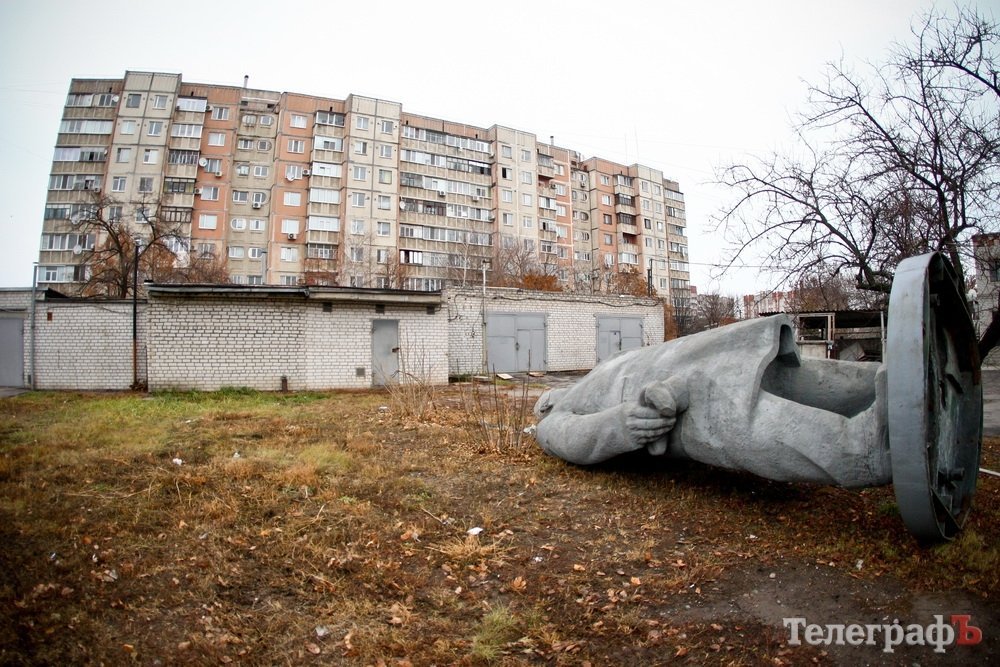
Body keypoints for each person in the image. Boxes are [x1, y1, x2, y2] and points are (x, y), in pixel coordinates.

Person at [533, 314, 891, 488]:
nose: (547, 397)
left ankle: (884, 382)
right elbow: (573, 439)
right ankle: (865, 449)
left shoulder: (599, 369)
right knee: (729, 410)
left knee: (782, 371)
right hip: (666, 404)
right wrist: (622, 424)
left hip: (685, 356)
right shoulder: (553, 417)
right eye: (544, 402)